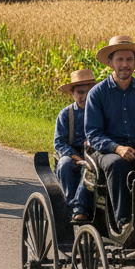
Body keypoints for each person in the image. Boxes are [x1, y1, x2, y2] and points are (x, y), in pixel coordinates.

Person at [84, 35, 135, 238]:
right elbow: (93, 134)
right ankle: (123, 223)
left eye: (129, 60)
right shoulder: (97, 94)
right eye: (120, 60)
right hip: (106, 150)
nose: (125, 65)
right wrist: (117, 148)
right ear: (110, 62)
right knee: (117, 164)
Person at [54, 68, 97, 224]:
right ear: (72, 93)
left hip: (94, 155)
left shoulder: (100, 112)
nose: (84, 96)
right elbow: (59, 142)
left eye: (88, 92)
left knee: (93, 167)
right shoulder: (66, 115)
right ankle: (73, 207)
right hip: (72, 155)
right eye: (80, 92)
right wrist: (76, 157)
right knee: (65, 164)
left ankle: (84, 209)